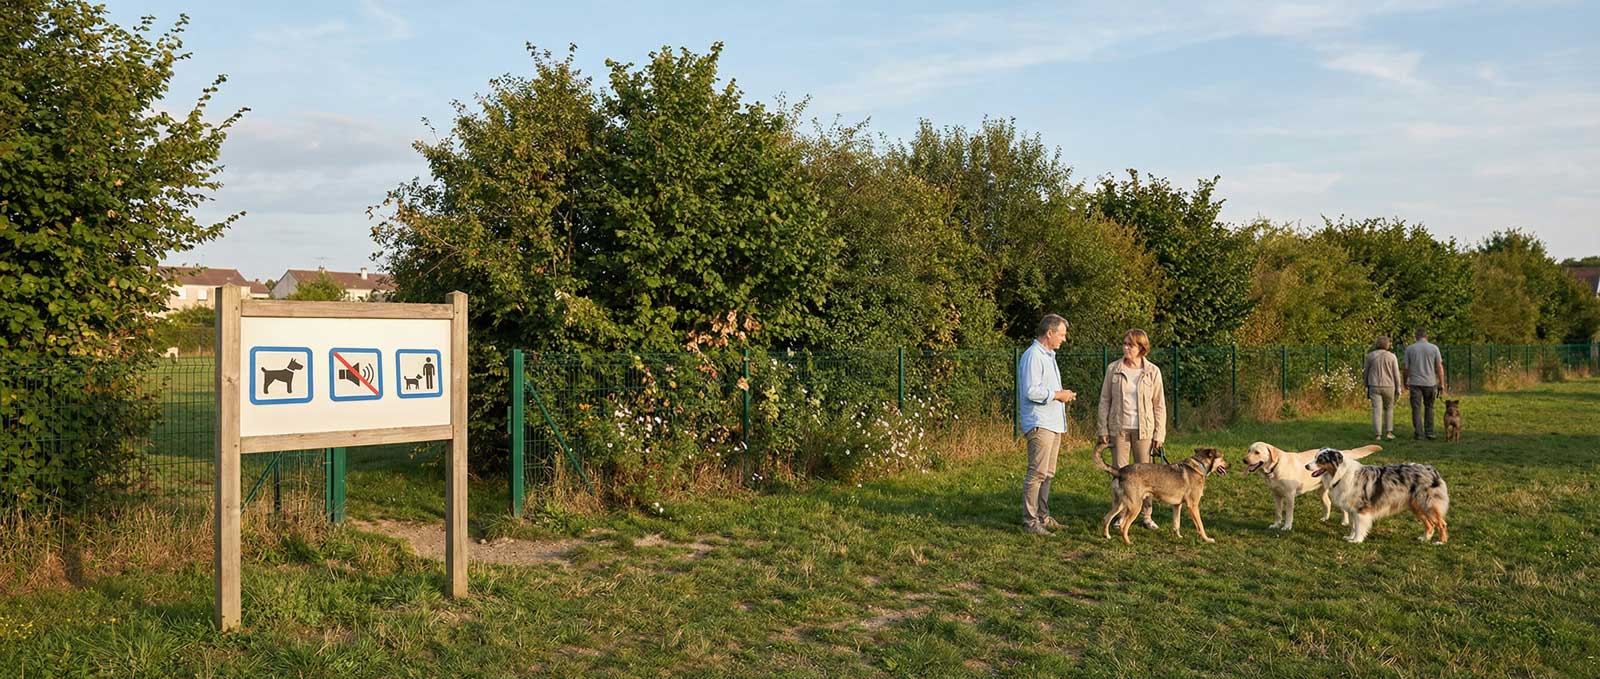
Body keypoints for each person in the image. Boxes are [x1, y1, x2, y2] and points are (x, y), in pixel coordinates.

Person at [1095, 329, 1167, 530]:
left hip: (1144, 430)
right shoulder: (1113, 369)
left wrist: (1159, 433)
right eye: (1125, 343)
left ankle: (1146, 515)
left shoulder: (1153, 371)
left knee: (1147, 475)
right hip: (1119, 428)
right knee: (1120, 474)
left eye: (1131, 345)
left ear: (1141, 348)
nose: (1126, 348)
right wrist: (1103, 428)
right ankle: (1120, 514)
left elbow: (1159, 405)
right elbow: (1104, 400)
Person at [1018, 314, 1075, 536]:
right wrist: (1058, 395)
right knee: (1037, 473)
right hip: (1040, 424)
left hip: (1053, 424)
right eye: (1061, 335)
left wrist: (1061, 395)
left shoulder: (1048, 356)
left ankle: (1043, 516)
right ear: (1049, 333)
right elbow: (1031, 390)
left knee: (1048, 473)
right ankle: (1030, 521)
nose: (1064, 339)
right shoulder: (1033, 356)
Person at [1402, 328, 1447, 440]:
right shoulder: (1434, 348)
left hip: (1415, 382)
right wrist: (1442, 383)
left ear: (1416, 336)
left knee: (1416, 408)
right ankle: (1430, 432)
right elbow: (1439, 367)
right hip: (1430, 382)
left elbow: (1406, 368)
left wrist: (1405, 381)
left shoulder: (1410, 349)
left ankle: (1418, 433)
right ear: (1426, 336)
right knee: (1429, 407)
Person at [1363, 336, 1402, 441]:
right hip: (1389, 386)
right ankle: (1389, 432)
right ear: (1387, 345)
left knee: (1376, 410)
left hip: (1374, 385)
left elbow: (1366, 372)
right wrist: (1398, 388)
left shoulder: (1370, 356)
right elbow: (1396, 374)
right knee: (1389, 408)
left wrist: (1366, 384)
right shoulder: (1392, 356)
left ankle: (1378, 435)